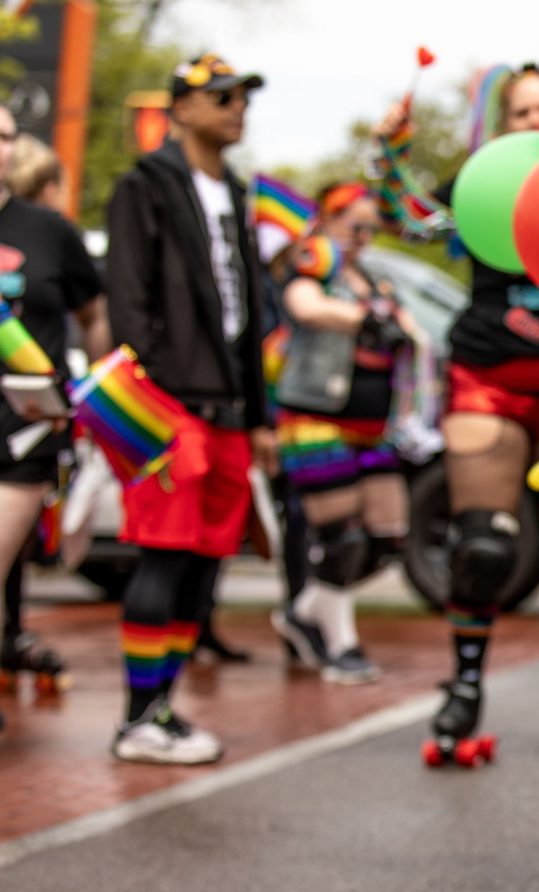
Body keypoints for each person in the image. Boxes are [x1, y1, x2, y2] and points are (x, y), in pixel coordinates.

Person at [374, 64, 539, 760]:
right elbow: (408, 220)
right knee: (486, 547)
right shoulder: (484, 183)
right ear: (504, 126)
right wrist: (391, 155)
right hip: (487, 384)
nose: (537, 122)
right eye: (523, 112)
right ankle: (464, 687)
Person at [104, 54, 276, 764]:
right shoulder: (144, 185)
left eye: (242, 97)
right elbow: (128, 300)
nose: (236, 108)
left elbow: (246, 314)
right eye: (221, 97)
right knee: (163, 554)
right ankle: (137, 716)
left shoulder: (234, 191)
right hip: (171, 403)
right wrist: (157, 396)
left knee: (204, 564)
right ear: (180, 108)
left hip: (230, 406)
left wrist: (259, 415)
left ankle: (162, 706)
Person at [269, 183, 414, 683]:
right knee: (342, 538)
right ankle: (340, 644)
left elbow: (408, 328)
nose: (363, 236)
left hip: (371, 428)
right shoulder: (316, 260)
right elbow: (304, 304)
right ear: (330, 220)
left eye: (370, 227)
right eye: (355, 224)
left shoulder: (371, 276)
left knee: (388, 536)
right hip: (315, 416)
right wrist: (363, 319)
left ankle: (304, 608)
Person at [0, 106, 109, 699]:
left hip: (26, 428)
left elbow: (93, 316)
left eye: (5, 136)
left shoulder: (47, 230)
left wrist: (99, 393)